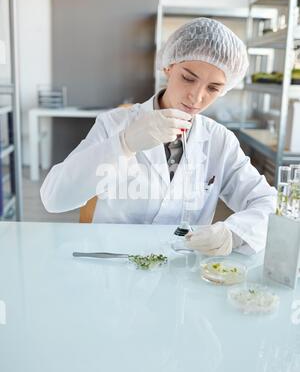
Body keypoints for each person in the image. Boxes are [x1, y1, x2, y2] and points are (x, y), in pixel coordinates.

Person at [40, 18, 277, 256]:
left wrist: (234, 232)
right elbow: (55, 197)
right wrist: (123, 145)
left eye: (213, 88)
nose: (196, 97)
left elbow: (267, 202)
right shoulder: (115, 124)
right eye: (188, 78)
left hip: (180, 273)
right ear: (169, 67)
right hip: (114, 270)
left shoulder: (219, 140)